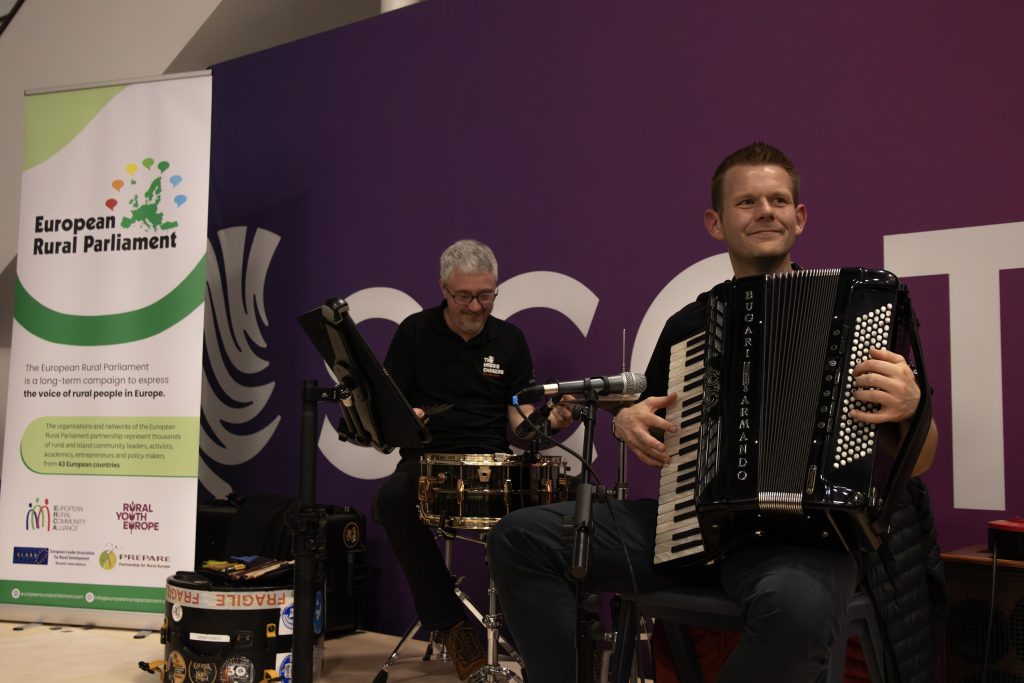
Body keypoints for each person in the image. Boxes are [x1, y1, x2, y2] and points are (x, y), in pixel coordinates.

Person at [487, 142, 939, 683]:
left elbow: (920, 460)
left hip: (805, 538)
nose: (765, 211)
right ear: (715, 222)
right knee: (519, 537)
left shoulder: (860, 311)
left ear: (800, 217)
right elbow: (647, 413)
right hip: (694, 526)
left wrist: (912, 410)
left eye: (778, 200)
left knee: (795, 611)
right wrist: (624, 420)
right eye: (746, 202)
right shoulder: (688, 326)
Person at [375, 238, 572, 681]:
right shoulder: (413, 332)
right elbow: (388, 413)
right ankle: (449, 625)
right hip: (426, 460)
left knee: (557, 505)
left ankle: (545, 642)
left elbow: (521, 425)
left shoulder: (510, 339)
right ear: (444, 289)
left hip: (491, 458)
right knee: (392, 497)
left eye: (486, 294)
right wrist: (410, 417)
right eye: (464, 295)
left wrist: (550, 421)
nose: (475, 306)